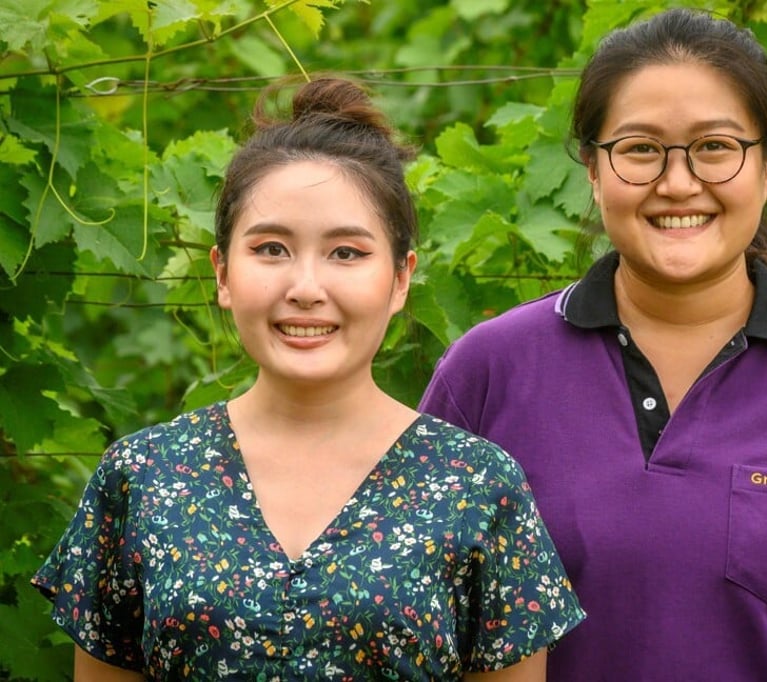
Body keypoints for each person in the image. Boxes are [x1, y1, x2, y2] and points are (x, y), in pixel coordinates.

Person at [419, 8, 767, 681]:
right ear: (592, 167)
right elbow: (427, 630)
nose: (678, 183)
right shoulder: (487, 373)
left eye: (715, 147)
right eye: (640, 148)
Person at [33, 76, 584, 681]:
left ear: (401, 279)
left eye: (346, 253)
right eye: (271, 249)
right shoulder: (141, 477)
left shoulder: (477, 486)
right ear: (222, 272)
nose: (305, 289)